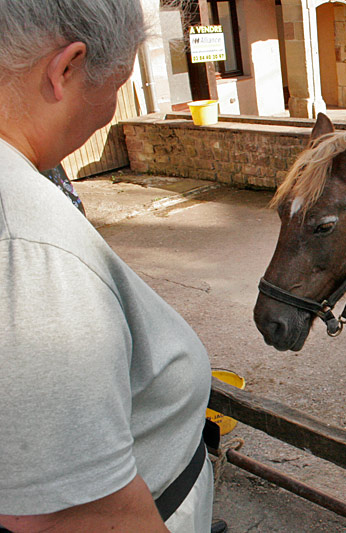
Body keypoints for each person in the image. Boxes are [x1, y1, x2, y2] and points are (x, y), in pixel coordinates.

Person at [0, 2, 215, 531]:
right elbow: (73, 516)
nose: (114, 108)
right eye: (117, 84)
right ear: (65, 69)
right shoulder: (31, 247)